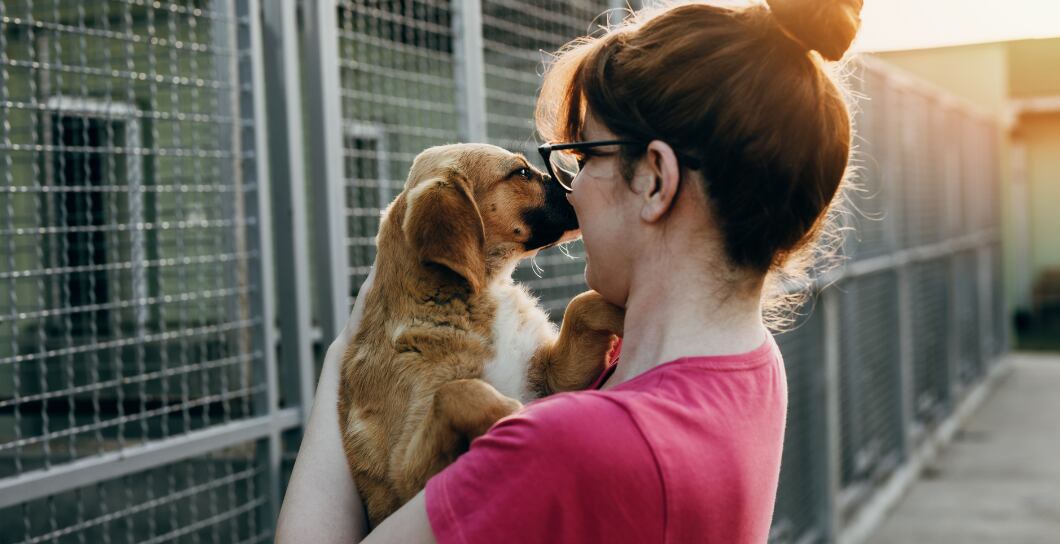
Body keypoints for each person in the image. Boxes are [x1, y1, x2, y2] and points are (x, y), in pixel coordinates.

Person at [275, 0, 863, 541]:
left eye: (582, 158)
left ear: (655, 179)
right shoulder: (749, 366)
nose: (572, 192)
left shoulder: (561, 451)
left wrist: (353, 345)